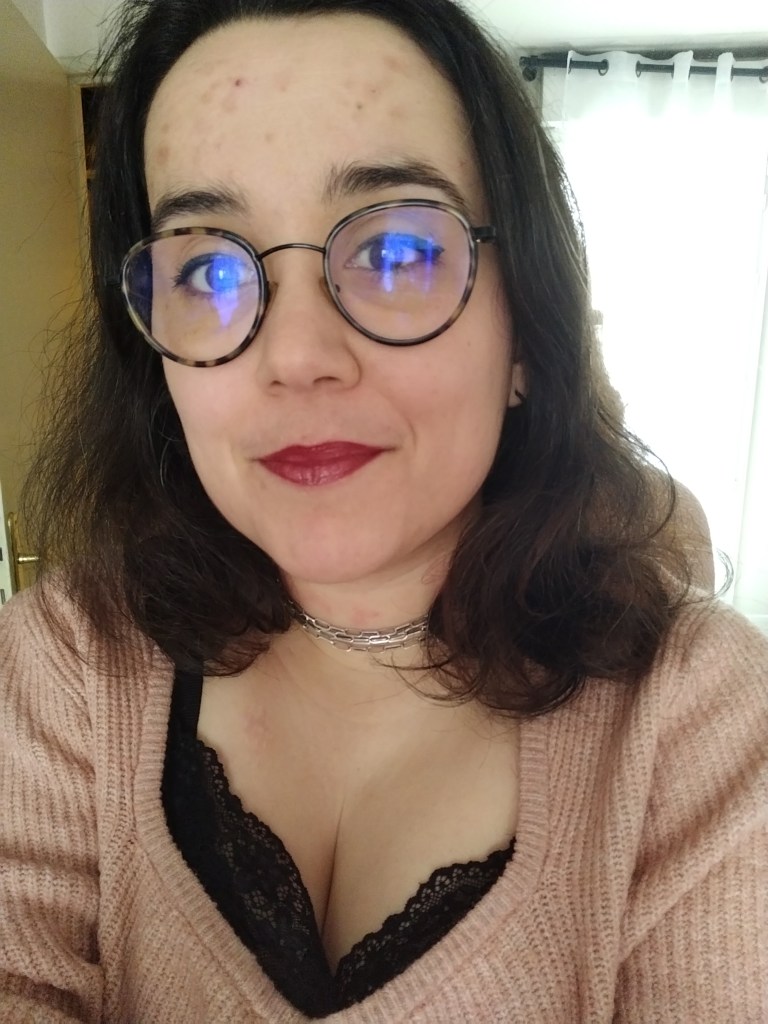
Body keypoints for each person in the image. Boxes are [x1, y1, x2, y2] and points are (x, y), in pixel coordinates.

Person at [1, 0, 765, 1020]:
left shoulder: (699, 724)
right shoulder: (63, 663)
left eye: (398, 251)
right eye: (209, 267)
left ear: (527, 331)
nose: (296, 356)